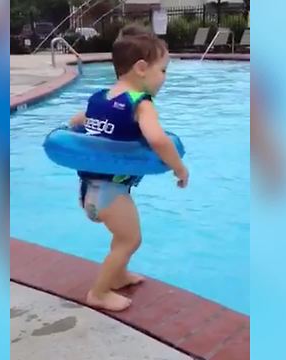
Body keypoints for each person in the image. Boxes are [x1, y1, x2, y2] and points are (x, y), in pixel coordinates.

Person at [68, 31, 189, 311]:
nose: (164, 77)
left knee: (120, 237)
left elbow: (76, 123)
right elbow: (158, 140)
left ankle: (119, 276)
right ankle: (98, 292)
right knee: (130, 239)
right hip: (112, 193)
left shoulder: (99, 98)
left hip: (89, 191)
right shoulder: (141, 103)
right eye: (163, 70)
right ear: (142, 68)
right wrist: (179, 169)